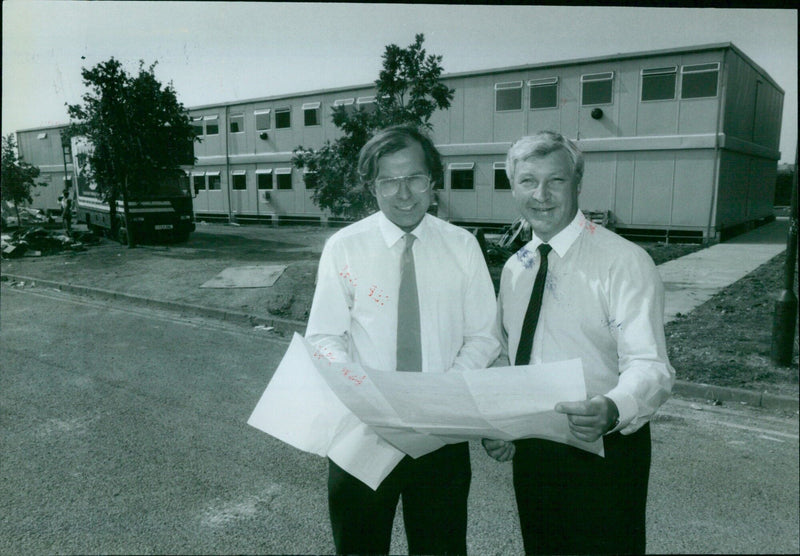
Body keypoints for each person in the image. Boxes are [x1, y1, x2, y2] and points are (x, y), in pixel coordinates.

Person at [305, 124, 500, 555]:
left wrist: (440, 394)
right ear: (371, 186)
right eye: (388, 181)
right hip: (362, 432)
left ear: (433, 181)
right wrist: (363, 392)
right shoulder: (345, 248)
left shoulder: (463, 247)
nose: (403, 193)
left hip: (441, 433)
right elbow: (323, 336)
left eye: (414, 177)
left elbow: (484, 336)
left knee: (441, 548)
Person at [483, 131, 675, 554]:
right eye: (528, 181)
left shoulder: (623, 261)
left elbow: (650, 365)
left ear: (578, 184)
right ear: (513, 187)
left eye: (556, 181)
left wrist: (611, 408)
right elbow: (504, 355)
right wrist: (501, 423)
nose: (542, 195)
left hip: (605, 446)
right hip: (535, 452)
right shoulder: (516, 269)